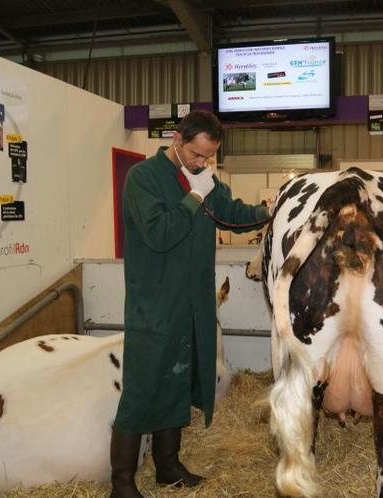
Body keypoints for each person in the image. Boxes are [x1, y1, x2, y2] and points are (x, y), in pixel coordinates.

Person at [110, 110, 270, 498]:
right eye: (198, 155)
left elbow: (231, 215)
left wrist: (269, 210)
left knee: (178, 383)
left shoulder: (203, 177)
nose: (204, 163)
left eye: (210, 157)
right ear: (178, 140)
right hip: (155, 307)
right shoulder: (143, 179)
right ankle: (123, 483)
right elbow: (161, 233)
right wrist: (195, 194)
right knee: (142, 389)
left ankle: (168, 466)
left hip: (194, 304)